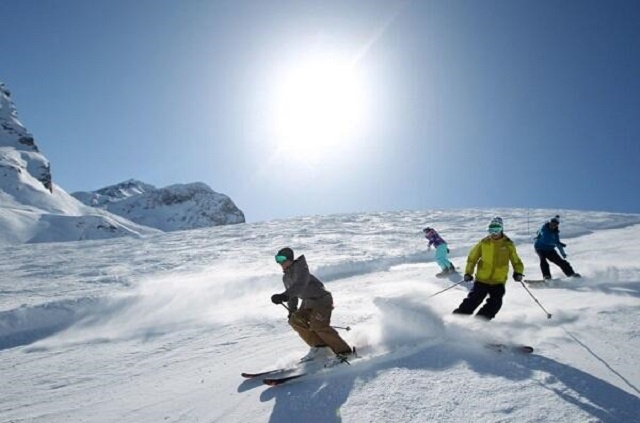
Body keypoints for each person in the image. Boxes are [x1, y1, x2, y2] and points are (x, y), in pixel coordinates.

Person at [270, 247, 354, 363]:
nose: (280, 262)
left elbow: (301, 284)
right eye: (278, 259)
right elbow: (293, 296)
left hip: (321, 300)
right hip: (307, 302)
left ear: (290, 259)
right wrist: (291, 311)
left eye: (282, 259)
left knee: (318, 325)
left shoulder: (301, 268)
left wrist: (284, 295)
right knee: (295, 320)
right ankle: (320, 348)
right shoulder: (286, 277)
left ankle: (345, 352)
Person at [453, 218, 524, 320]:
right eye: (491, 230)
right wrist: (468, 273)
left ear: (502, 229)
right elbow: (472, 259)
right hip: (482, 279)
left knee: (495, 303)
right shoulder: (484, 243)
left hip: (498, 281)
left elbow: (516, 260)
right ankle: (458, 318)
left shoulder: (508, 245)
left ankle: (480, 322)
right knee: (473, 300)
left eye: (497, 230)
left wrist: (518, 272)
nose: (494, 233)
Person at [534, 215, 580, 280]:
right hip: (540, 248)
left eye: (555, 225)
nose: (553, 226)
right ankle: (547, 276)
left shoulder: (555, 233)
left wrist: (563, 253)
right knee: (543, 260)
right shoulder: (544, 229)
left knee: (561, 262)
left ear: (557, 226)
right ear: (549, 223)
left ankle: (571, 274)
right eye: (552, 224)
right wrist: (556, 242)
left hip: (550, 250)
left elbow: (558, 245)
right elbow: (546, 240)